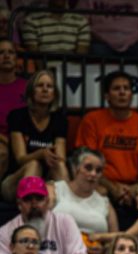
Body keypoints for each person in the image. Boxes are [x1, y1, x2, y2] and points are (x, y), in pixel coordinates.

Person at [74, 72, 138, 208]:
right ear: (106, 96)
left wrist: (134, 189)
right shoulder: (91, 120)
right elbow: (87, 164)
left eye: (126, 88)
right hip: (100, 183)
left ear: (131, 95)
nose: (122, 92)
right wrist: (113, 188)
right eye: (116, 88)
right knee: (98, 191)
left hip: (134, 187)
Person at [0, 176, 90, 254]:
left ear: (47, 201)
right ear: (19, 204)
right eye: (28, 199)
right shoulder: (6, 231)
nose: (34, 205)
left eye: (39, 199)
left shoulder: (64, 222)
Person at [2, 69, 66, 203]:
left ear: (54, 94)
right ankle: (30, 207)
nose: (45, 90)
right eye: (40, 85)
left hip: (46, 180)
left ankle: (69, 207)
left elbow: (60, 158)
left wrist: (54, 158)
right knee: (34, 164)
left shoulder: (59, 120)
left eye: (49, 86)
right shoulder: (17, 116)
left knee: (59, 166)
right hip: (15, 180)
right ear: (31, 91)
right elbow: (20, 159)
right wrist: (41, 153)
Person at [52, 148, 117, 254]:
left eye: (98, 170)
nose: (93, 174)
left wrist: (104, 250)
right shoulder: (55, 190)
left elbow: (114, 240)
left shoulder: (105, 203)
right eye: (88, 168)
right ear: (76, 169)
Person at [20, 0, 90, 54]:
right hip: (45, 67)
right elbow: (34, 55)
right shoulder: (31, 20)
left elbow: (81, 56)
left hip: (72, 67)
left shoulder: (81, 21)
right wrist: (45, 69)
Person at [0, 40, 25, 178]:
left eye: (10, 52)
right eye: (1, 52)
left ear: (16, 58)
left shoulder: (27, 87)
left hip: (23, 140)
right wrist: (7, 141)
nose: (6, 56)